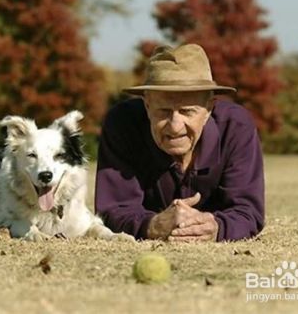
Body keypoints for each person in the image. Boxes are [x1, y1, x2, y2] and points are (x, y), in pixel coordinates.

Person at [94, 44, 264, 242]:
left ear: (209, 108)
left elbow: (248, 212)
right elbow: (113, 210)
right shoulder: (122, 124)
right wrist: (153, 225)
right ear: (147, 105)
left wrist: (216, 227)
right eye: (163, 111)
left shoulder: (236, 127)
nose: (175, 126)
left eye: (187, 111)